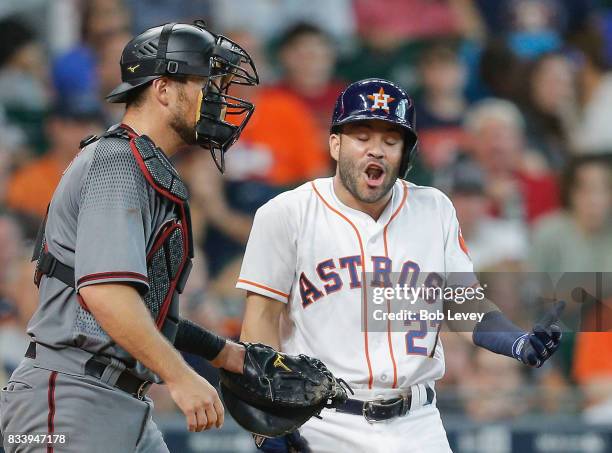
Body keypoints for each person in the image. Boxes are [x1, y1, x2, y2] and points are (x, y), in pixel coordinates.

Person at [237, 78, 563, 452]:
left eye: (390, 141)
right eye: (362, 136)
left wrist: (516, 341)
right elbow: (260, 319)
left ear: (405, 153)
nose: (376, 150)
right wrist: (267, 423)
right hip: (323, 421)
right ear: (335, 144)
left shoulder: (435, 208)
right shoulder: (286, 213)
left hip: (418, 422)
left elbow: (462, 304)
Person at [0, 20, 259, 453]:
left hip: (116, 401)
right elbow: (106, 296)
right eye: (205, 86)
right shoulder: (117, 163)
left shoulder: (140, 164)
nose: (216, 100)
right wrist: (179, 375)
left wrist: (225, 353)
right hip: (70, 401)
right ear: (162, 89)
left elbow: (145, 309)